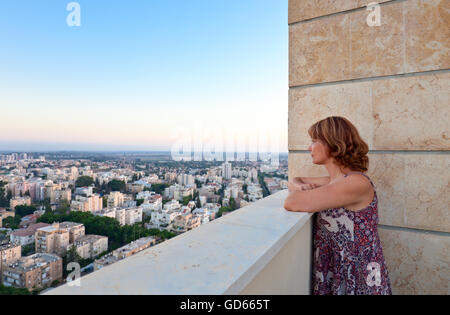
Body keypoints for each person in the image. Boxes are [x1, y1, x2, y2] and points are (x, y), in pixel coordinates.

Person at [284, 116, 392, 295]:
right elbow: (296, 180)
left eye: (314, 141)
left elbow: (291, 202)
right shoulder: (335, 182)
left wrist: (299, 190)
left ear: (332, 144)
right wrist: (300, 186)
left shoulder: (355, 183)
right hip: (338, 273)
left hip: (358, 277)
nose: (309, 148)